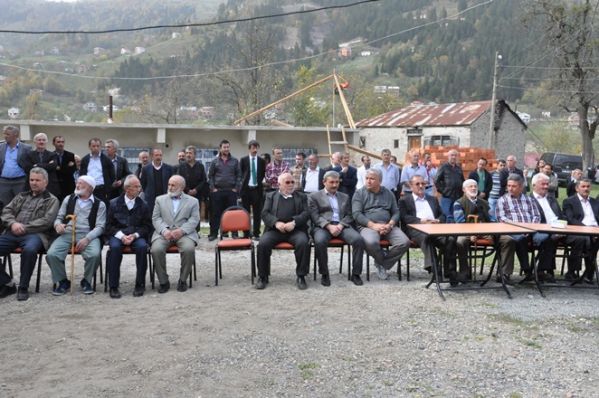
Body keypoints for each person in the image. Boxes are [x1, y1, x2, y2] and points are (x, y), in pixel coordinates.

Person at [0, 168, 59, 301]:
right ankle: (7, 283)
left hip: (35, 235)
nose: (33, 183)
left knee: (30, 250)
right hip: (12, 232)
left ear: (45, 182)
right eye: (31, 180)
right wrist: (13, 224)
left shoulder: (51, 200)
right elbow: (6, 211)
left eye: (37, 180)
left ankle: (23, 287)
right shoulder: (21, 196)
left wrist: (23, 227)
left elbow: (46, 221)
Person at [46, 175, 106, 295]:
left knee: (94, 255)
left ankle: (86, 281)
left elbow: (100, 227)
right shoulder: (69, 199)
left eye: (81, 184)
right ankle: (63, 281)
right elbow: (59, 218)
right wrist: (58, 226)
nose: (77, 185)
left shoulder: (100, 204)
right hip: (67, 232)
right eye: (77, 183)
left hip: (88, 234)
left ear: (90, 187)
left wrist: (87, 239)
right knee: (52, 254)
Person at [255, 173, 311, 290]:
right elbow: (264, 213)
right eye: (287, 182)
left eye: (292, 182)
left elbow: (306, 214)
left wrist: (294, 222)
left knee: (303, 243)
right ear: (279, 184)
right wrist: (276, 223)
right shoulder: (270, 196)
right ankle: (263, 276)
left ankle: (301, 276)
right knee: (263, 244)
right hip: (275, 230)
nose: (291, 185)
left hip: (295, 230)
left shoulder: (301, 196)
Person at [308, 170, 364, 286]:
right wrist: (328, 226)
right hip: (323, 226)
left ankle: (356, 274)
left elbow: (350, 215)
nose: (335, 185)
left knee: (358, 240)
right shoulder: (314, 196)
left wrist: (340, 225)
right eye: (331, 182)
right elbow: (315, 216)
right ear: (324, 182)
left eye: (337, 182)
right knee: (319, 241)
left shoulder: (345, 197)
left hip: (341, 225)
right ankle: (324, 273)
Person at [352, 168, 410, 280]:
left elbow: (396, 211)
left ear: (380, 181)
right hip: (368, 226)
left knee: (404, 242)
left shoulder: (388, 193)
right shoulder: (359, 193)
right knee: (371, 242)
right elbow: (356, 214)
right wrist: (373, 226)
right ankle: (381, 259)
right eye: (367, 178)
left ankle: (381, 263)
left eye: (372, 179)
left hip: (388, 225)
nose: (368, 181)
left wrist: (391, 224)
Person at [453, 179, 515, 283]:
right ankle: (464, 272)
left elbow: (493, 219)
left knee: (508, 240)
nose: (473, 188)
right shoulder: (458, 203)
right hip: (467, 232)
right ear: (464, 189)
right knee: (460, 241)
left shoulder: (485, 203)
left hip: (487, 232)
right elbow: (459, 222)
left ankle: (504, 274)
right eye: (470, 186)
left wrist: (494, 231)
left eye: (475, 186)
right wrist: (471, 233)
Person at [399, 175, 458, 285]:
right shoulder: (404, 200)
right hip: (416, 229)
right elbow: (404, 217)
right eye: (417, 184)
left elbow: (442, 215)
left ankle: (450, 272)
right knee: (427, 237)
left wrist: (438, 220)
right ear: (411, 186)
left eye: (423, 184)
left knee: (450, 239)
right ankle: (436, 270)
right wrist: (421, 221)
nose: (421, 186)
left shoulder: (432, 199)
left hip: (435, 228)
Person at [150, 175, 200, 293]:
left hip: (184, 234)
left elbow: (194, 220)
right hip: (164, 233)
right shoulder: (159, 199)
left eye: (173, 185)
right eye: (169, 184)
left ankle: (183, 280)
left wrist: (182, 230)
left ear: (182, 187)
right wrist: (164, 230)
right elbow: (156, 218)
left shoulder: (193, 201)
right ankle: (163, 282)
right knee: (156, 250)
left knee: (188, 249)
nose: (170, 187)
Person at [105, 175, 152, 298]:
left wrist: (135, 235)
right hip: (118, 235)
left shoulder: (143, 205)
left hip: (136, 235)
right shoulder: (114, 203)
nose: (140, 188)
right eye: (137, 186)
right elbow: (108, 226)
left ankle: (140, 284)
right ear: (127, 189)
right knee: (114, 248)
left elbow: (147, 226)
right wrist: (121, 236)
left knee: (142, 247)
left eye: (139, 186)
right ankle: (113, 286)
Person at [496, 174, 541, 283]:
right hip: (512, 230)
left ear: (521, 187)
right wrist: (520, 229)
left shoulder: (529, 200)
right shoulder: (502, 200)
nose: (510, 188)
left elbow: (536, 216)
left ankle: (542, 271)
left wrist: (530, 228)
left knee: (547, 239)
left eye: (514, 186)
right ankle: (527, 270)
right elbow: (502, 219)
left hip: (531, 230)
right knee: (520, 239)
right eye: (509, 186)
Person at [529, 173, 565, 282]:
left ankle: (577, 273)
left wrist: (563, 225)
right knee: (550, 239)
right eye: (543, 184)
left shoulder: (551, 199)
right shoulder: (528, 200)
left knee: (581, 238)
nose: (546, 186)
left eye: (547, 184)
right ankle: (543, 271)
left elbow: (561, 215)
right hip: (540, 231)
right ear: (534, 185)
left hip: (559, 229)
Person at [562, 178, 599, 283]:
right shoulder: (569, 201)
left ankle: (588, 273)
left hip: (596, 232)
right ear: (577, 188)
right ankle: (573, 272)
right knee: (582, 239)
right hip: (577, 232)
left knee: (594, 242)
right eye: (583, 186)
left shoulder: (595, 202)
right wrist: (587, 230)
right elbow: (570, 219)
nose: (586, 189)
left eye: (588, 186)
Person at [207, 139, 241, 241]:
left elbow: (239, 176)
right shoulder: (214, 161)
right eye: (224, 147)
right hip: (217, 191)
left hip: (231, 191)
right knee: (215, 213)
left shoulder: (235, 161)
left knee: (232, 213)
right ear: (220, 148)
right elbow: (210, 176)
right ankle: (213, 233)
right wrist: (213, 188)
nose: (226, 149)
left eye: (227, 147)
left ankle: (234, 234)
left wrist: (236, 188)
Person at [0, 125, 32, 207]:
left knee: (20, 205)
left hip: (20, 182)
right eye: (4, 134)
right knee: (5, 206)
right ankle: (6, 220)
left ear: (16, 135)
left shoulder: (26, 148)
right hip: (4, 182)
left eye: (8, 134)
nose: (5, 136)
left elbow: (29, 164)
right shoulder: (1, 147)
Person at [240, 140, 266, 238]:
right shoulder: (243, 160)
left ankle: (256, 233)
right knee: (245, 213)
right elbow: (241, 174)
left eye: (256, 148)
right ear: (249, 148)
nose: (255, 150)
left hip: (257, 190)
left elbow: (262, 174)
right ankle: (246, 233)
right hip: (246, 190)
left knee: (257, 213)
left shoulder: (261, 161)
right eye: (253, 148)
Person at [23, 133, 61, 198]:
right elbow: (27, 168)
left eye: (43, 140)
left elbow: (53, 166)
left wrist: (37, 165)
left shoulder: (53, 155)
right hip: (32, 187)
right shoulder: (28, 155)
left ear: (46, 142)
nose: (41, 142)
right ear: (35, 142)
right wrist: (47, 165)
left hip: (50, 186)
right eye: (39, 140)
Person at [79, 137, 115, 205]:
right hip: (88, 189)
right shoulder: (85, 159)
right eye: (93, 146)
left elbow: (112, 175)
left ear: (100, 147)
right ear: (89, 147)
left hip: (102, 190)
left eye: (98, 146)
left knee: (102, 208)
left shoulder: (106, 159)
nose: (96, 148)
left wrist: (108, 187)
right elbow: (81, 175)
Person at [140, 148, 174, 214]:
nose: (158, 157)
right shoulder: (145, 168)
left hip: (165, 197)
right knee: (151, 217)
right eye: (156, 155)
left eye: (160, 155)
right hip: (150, 199)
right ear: (152, 156)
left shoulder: (169, 168)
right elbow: (143, 184)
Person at [435, 149, 464, 223]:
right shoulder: (443, 167)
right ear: (448, 156)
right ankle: (446, 233)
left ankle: (454, 234)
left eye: (455, 155)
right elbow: (436, 181)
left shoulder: (458, 168)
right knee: (447, 215)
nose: (453, 157)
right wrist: (444, 191)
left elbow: (462, 180)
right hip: (447, 197)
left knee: (456, 215)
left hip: (457, 196)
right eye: (452, 155)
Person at [52, 135, 77, 202]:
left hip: (68, 185)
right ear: (53, 143)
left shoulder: (70, 155)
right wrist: (67, 166)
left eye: (62, 142)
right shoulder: (50, 155)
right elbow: (52, 170)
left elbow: (72, 170)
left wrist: (58, 168)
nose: (61, 144)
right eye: (58, 142)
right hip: (56, 185)